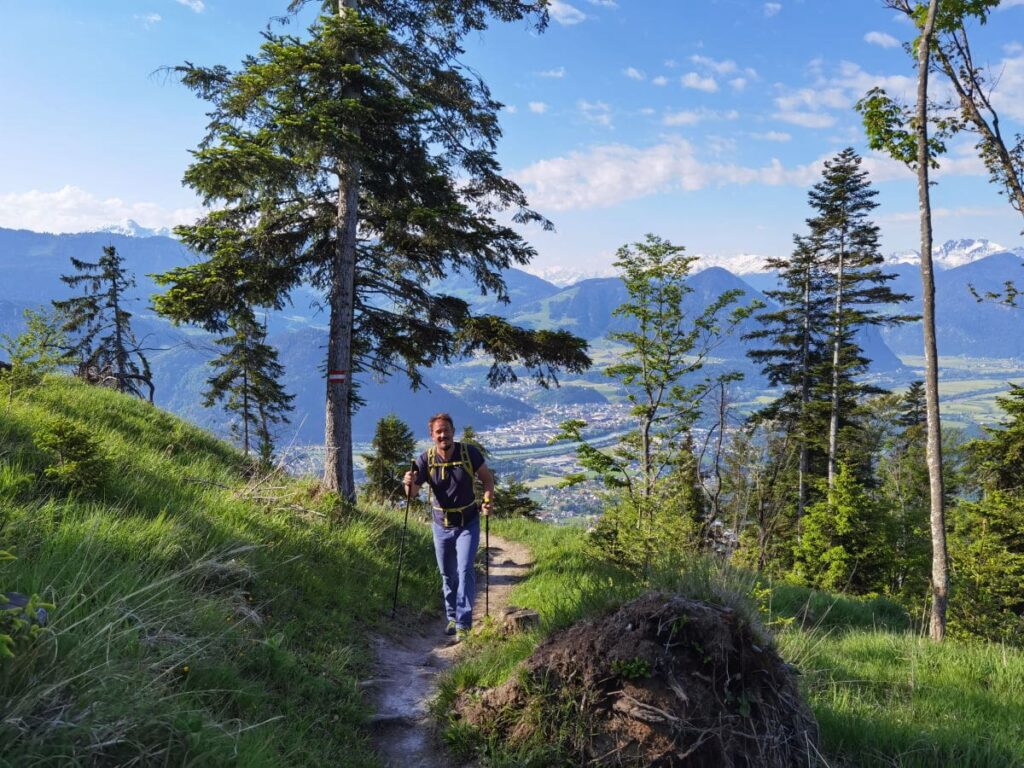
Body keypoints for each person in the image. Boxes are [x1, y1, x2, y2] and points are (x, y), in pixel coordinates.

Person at [404, 412, 494, 640]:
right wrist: (409, 483)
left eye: (446, 430)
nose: (443, 435)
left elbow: (487, 479)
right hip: (440, 525)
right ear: (432, 435)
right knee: (447, 574)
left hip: (468, 523)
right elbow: (412, 495)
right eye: (438, 432)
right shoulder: (426, 459)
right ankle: (452, 616)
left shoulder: (469, 453)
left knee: (464, 570)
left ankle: (463, 623)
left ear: (453, 431)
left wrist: (487, 500)